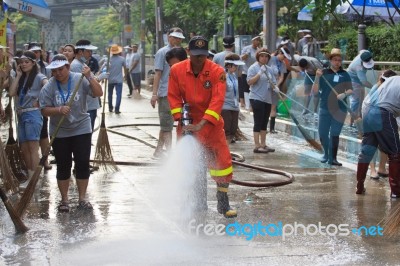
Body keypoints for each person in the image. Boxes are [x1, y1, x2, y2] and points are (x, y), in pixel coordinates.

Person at [168, 36, 237, 218]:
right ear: (188, 52)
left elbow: (218, 99)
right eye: (196, 55)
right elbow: (173, 96)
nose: (200, 60)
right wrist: (181, 119)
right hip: (189, 123)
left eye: (203, 56)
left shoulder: (217, 71)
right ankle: (197, 202)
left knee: (222, 163)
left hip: (211, 124)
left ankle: (223, 203)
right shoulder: (177, 70)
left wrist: (203, 123)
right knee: (193, 164)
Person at [39, 54, 103, 212]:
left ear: (67, 67)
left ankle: (82, 198)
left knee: (82, 163)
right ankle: (64, 200)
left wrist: (90, 77)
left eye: (61, 69)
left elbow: (98, 92)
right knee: (63, 165)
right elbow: (44, 110)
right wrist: (58, 109)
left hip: (81, 127)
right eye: (54, 70)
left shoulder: (79, 79)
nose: (58, 73)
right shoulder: (49, 86)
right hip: (60, 131)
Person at [356, 70, 399, 195]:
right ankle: (396, 192)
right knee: (396, 153)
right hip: (382, 113)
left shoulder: (388, 82)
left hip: (367, 110)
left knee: (366, 152)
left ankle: (359, 187)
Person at [8, 51, 48, 183]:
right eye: (21, 62)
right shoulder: (22, 77)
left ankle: (35, 179)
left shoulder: (39, 76)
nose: (23, 64)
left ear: (33, 62)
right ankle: (30, 176)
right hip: (21, 114)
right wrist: (18, 76)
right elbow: (12, 92)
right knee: (24, 148)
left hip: (33, 113)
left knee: (33, 147)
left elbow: (47, 85)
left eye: (26, 62)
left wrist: (42, 101)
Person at [312, 48, 353, 166]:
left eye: (339, 60)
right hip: (325, 107)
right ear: (330, 60)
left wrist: (344, 94)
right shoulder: (323, 73)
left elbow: (351, 90)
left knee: (335, 133)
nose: (337, 62)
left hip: (340, 109)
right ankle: (326, 153)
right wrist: (317, 77)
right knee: (323, 133)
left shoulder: (345, 74)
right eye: (335, 60)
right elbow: (314, 91)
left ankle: (333, 158)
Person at [150, 27, 185, 158]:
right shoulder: (162, 52)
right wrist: (155, 94)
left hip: (179, 94)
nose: (177, 40)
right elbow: (158, 73)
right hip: (165, 93)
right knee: (166, 125)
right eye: (175, 37)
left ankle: (158, 151)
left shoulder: (181, 53)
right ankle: (170, 155)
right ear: (169, 37)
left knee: (166, 125)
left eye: (179, 38)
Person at [247, 48, 277, 153]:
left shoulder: (269, 69)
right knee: (258, 121)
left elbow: (273, 82)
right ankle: (257, 145)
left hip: (267, 98)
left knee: (265, 122)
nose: (264, 58)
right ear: (258, 57)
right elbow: (249, 82)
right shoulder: (253, 68)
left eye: (266, 56)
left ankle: (263, 144)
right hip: (256, 97)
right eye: (262, 56)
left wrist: (275, 87)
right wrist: (259, 73)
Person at [28, 42, 52, 170]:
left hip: (41, 106)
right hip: (27, 107)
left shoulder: (46, 67)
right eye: (33, 52)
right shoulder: (23, 66)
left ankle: (45, 160)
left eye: (38, 52)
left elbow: (48, 84)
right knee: (30, 139)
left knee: (43, 135)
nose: (36, 54)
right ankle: (32, 163)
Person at [71, 40, 101, 130]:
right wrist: (98, 79)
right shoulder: (76, 66)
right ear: (80, 52)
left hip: (90, 104)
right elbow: (83, 85)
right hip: (87, 106)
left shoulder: (82, 64)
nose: (90, 54)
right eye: (88, 51)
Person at [347, 50, 374, 128]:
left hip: (358, 79)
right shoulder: (359, 67)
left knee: (361, 99)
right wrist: (374, 87)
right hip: (352, 80)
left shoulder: (365, 53)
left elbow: (361, 50)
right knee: (355, 101)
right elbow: (364, 82)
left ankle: (360, 118)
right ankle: (352, 123)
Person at [222, 53, 244, 144]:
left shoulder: (234, 76)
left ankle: (228, 152)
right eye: (235, 65)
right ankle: (225, 153)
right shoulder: (223, 76)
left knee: (232, 131)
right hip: (225, 107)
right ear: (228, 65)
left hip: (235, 107)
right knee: (226, 131)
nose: (236, 67)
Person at [268, 47, 291, 133]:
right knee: (266, 107)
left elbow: (281, 77)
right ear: (280, 53)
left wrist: (276, 86)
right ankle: (263, 128)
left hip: (275, 88)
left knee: (273, 107)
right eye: (283, 56)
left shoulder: (283, 64)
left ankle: (272, 128)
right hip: (266, 86)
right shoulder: (270, 59)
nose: (284, 58)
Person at [293, 54, 323, 119]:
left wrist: (318, 76)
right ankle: (305, 109)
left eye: (305, 68)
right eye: (302, 68)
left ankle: (315, 111)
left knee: (316, 93)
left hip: (316, 76)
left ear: (307, 65)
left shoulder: (314, 62)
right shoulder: (299, 59)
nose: (303, 69)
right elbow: (294, 55)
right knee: (307, 92)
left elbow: (321, 71)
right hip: (308, 75)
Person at [240, 35, 261, 110]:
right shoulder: (247, 48)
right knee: (246, 88)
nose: (258, 42)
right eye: (256, 40)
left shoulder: (259, 50)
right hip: (246, 71)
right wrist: (246, 54)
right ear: (253, 41)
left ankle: (253, 105)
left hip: (255, 72)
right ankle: (247, 105)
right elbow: (241, 58)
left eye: (259, 40)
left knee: (253, 88)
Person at [108, 44, 126, 114]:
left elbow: (105, 68)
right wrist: (125, 76)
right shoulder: (122, 59)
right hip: (119, 80)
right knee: (118, 94)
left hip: (110, 80)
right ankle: (117, 109)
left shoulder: (109, 60)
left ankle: (110, 107)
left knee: (110, 94)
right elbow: (125, 68)